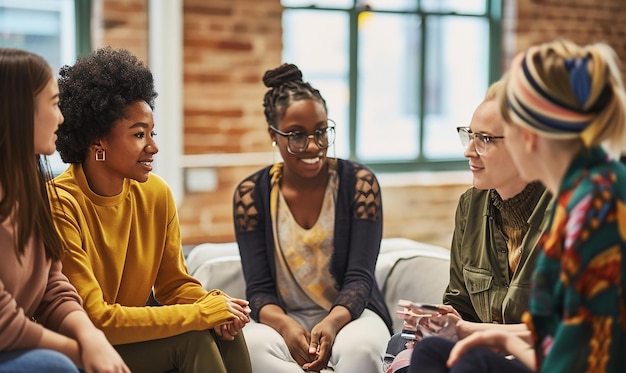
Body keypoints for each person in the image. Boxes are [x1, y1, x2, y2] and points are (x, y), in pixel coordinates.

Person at [410, 39, 626, 372]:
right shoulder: (581, 191)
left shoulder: (596, 203)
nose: (472, 149)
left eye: (497, 132)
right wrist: (498, 338)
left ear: (532, 133)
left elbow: (581, 361)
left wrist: (505, 341)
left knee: (466, 363)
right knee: (432, 354)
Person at [48, 46, 252, 373]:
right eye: (139, 134)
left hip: (132, 337)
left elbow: (173, 285)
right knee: (194, 338)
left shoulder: (156, 193)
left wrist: (216, 305)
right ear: (98, 141)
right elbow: (97, 318)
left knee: (225, 333)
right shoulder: (60, 204)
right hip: (83, 349)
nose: (153, 147)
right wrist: (201, 314)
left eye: (151, 133)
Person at [383, 79, 553, 373]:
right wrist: (444, 319)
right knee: (406, 343)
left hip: (532, 356)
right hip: (484, 347)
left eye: (484, 140)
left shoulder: (562, 212)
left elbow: (560, 329)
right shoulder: (470, 205)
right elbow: (460, 302)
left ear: (523, 146)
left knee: (459, 360)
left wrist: (467, 331)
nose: (469, 151)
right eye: (469, 135)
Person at [232, 63, 393, 373]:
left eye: (321, 132)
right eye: (296, 135)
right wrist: (285, 325)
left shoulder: (360, 184)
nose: (313, 146)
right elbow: (259, 288)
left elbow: (360, 278)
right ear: (273, 135)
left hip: (350, 314)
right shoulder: (250, 195)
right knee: (251, 348)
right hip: (282, 315)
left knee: (361, 350)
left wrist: (331, 323)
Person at [0, 48, 129, 373]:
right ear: (19, 110)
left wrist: (91, 338)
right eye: (54, 104)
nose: (61, 118)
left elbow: (52, 288)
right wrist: (79, 350)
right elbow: (4, 323)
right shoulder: (65, 195)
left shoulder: (34, 191)